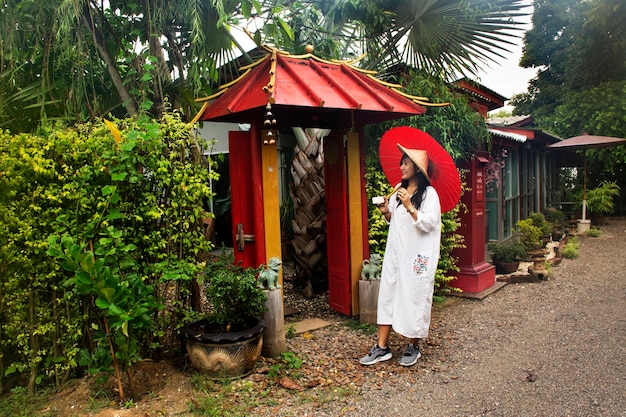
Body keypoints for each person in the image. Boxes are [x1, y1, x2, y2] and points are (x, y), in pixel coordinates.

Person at [360, 144, 441, 367]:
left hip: (416, 256)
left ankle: (413, 345)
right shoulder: (397, 190)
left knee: (414, 296)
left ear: (416, 168)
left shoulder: (429, 195)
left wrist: (409, 206)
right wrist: (387, 210)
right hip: (396, 254)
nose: (401, 166)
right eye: (401, 162)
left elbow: (430, 223)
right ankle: (382, 347)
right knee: (388, 295)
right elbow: (393, 222)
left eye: (406, 163)